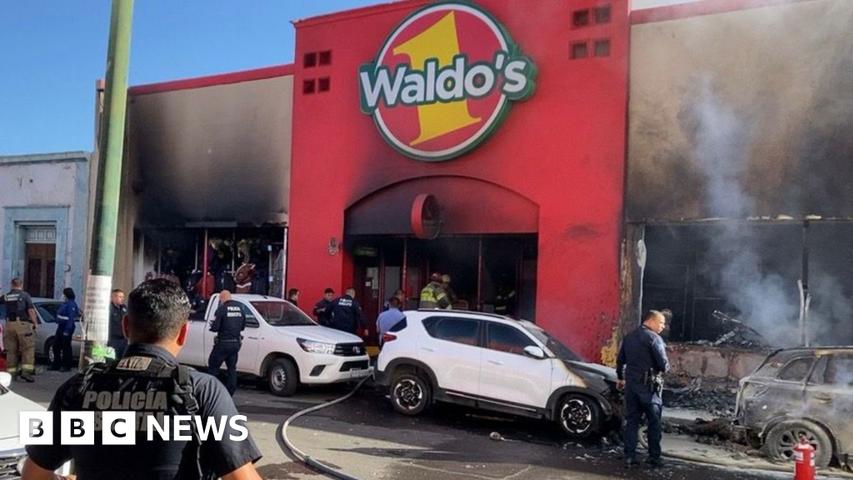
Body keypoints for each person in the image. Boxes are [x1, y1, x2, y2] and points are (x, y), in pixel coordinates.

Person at [22, 278, 263, 480]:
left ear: (126, 327)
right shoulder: (201, 390)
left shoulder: (77, 388)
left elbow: (33, 474)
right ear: (183, 333)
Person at [616, 309, 670, 469]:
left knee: (632, 421)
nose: (663, 327)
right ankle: (654, 457)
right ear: (651, 321)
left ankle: (629, 456)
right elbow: (663, 365)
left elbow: (620, 361)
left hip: (632, 387)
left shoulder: (629, 337)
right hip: (650, 389)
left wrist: (620, 378)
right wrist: (666, 367)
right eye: (661, 323)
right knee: (654, 422)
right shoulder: (654, 339)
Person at [208, 290, 246, 396]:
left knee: (213, 368)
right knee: (232, 368)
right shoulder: (240, 308)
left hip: (223, 343)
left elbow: (215, 327)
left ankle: (211, 392)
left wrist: (212, 326)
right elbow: (243, 326)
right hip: (235, 344)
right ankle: (230, 392)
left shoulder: (222, 309)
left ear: (222, 298)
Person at [2, 278, 39, 382]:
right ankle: (26, 373)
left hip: (9, 324)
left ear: (11, 285)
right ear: (21, 285)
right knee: (27, 348)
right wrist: (35, 323)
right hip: (22, 324)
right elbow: (31, 310)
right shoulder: (25, 295)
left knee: (11, 350)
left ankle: (12, 374)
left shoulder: (6, 296)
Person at [50, 288, 78, 372]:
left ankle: (66, 366)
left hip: (66, 327)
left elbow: (70, 319)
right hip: (61, 326)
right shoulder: (65, 304)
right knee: (56, 346)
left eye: (63, 294)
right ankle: (56, 364)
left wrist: (67, 330)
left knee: (66, 347)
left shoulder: (71, 304)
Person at [107, 288, 128, 359]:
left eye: (123, 297)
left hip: (123, 339)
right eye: (120, 297)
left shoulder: (124, 308)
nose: (122, 299)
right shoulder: (109, 308)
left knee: (122, 359)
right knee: (111, 359)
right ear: (113, 297)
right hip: (113, 339)